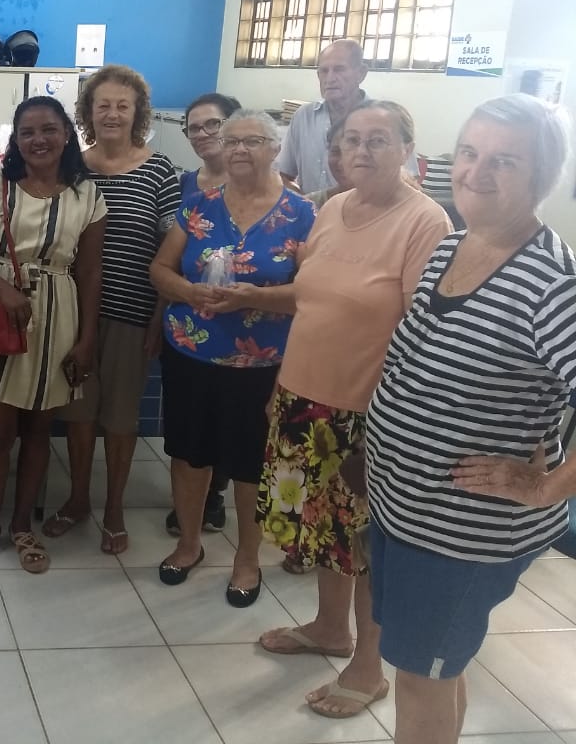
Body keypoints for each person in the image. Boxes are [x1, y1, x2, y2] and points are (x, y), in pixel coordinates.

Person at [364, 95, 575, 744]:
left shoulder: (551, 283)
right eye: (468, 152)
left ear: (542, 177)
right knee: (434, 668)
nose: (476, 172)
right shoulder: (453, 243)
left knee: (420, 682)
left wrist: (545, 487)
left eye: (503, 161)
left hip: (463, 536)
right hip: (403, 508)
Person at [256, 101, 450, 718]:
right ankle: (327, 629)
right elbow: (315, 301)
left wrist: (388, 425)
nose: (360, 152)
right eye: (350, 141)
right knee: (322, 531)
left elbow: (426, 333)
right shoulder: (334, 208)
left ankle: (368, 668)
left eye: (378, 140)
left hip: (369, 416)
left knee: (366, 545)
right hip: (303, 398)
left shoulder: (425, 222)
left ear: (407, 151)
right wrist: (282, 384)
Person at [149, 109, 315, 607]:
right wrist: (190, 291)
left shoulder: (302, 214)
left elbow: (309, 294)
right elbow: (160, 269)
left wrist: (253, 298)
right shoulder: (199, 206)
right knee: (189, 454)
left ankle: (247, 558)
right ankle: (189, 543)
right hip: (191, 353)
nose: (240, 149)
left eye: (253, 141)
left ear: (275, 148)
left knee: (249, 465)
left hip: (262, 366)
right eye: (232, 140)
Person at [0, 96, 107, 575]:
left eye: (49, 129)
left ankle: (23, 526)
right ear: (15, 140)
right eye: (27, 132)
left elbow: (92, 271)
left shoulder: (88, 194)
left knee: (40, 431)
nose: (39, 140)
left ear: (66, 134)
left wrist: (86, 341)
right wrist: (2, 289)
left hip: (60, 317)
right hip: (0, 317)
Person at [44, 65, 180, 554]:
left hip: (132, 311)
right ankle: (78, 499)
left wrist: (160, 314)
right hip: (74, 313)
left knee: (121, 418)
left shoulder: (160, 170)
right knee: (78, 414)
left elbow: (172, 248)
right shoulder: (72, 168)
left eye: (123, 105)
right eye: (103, 105)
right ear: (88, 112)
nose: (113, 114)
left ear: (138, 112)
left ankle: (115, 507)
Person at [165, 91, 244, 538]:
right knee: (191, 424)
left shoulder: (273, 189)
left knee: (234, 423)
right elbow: (167, 260)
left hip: (249, 330)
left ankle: (218, 493)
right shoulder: (186, 186)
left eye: (212, 125)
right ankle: (195, 502)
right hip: (188, 324)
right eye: (194, 127)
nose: (202, 135)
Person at [277, 40, 370, 193]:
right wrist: (306, 205)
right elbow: (283, 176)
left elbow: (407, 183)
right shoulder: (304, 117)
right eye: (324, 71)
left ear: (361, 73)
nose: (330, 78)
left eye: (339, 69)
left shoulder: (384, 120)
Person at [179, 92, 241, 200]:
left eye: (213, 123)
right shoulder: (185, 183)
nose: (201, 135)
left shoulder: (254, 184)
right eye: (193, 128)